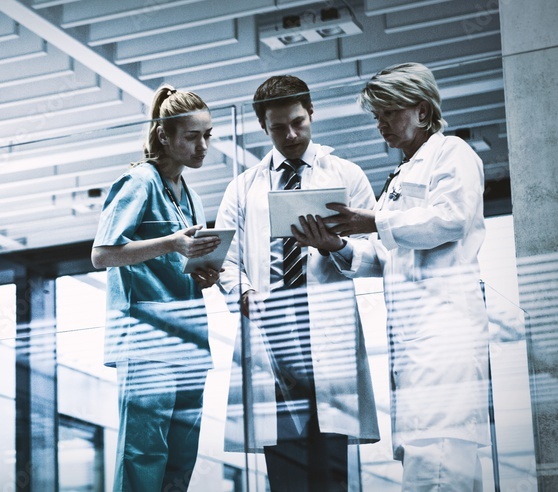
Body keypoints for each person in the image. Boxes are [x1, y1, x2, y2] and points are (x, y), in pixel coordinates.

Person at [293, 62, 490, 490]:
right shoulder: (401, 176)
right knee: (430, 458)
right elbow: (385, 257)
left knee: (436, 460)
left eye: (390, 113)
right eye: (377, 116)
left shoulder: (452, 153)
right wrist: (338, 246)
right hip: (414, 339)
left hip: (444, 335)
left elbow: (450, 220)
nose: (381, 124)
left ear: (422, 111)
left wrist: (374, 221)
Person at [215, 75, 379, 491]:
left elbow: (378, 253)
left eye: (298, 123)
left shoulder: (347, 175)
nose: (290, 135)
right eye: (278, 127)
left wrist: (336, 246)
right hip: (273, 330)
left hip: (324, 328)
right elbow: (225, 259)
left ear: (312, 114)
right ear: (262, 127)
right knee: (284, 463)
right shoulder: (242, 187)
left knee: (329, 463)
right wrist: (246, 292)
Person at [92, 85, 220, 492]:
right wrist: (171, 243)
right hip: (147, 341)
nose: (203, 146)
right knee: (144, 453)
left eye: (207, 136)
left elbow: (179, 261)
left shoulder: (192, 197)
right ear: (164, 136)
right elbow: (103, 254)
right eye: (192, 136)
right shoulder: (138, 182)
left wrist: (203, 272)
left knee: (182, 456)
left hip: (188, 339)